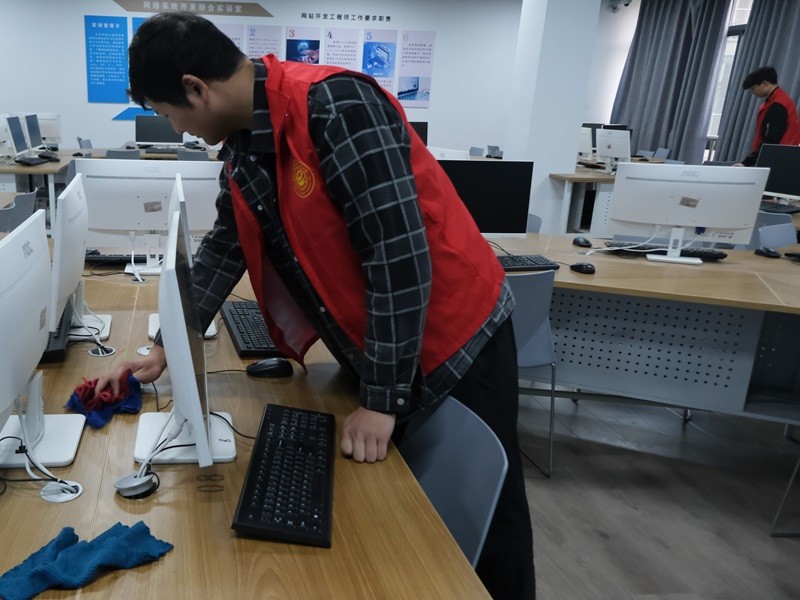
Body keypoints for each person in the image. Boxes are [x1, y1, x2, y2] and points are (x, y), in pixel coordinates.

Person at [96, 12, 535, 600]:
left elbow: (396, 257)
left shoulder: (336, 108)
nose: (177, 129)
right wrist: (166, 343)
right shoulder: (244, 146)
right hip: (388, 345)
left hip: (456, 338)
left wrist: (381, 399)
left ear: (196, 89)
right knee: (404, 513)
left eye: (169, 114)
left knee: (488, 527)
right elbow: (225, 246)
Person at [734, 66, 800, 167]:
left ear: (765, 83)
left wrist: (746, 163)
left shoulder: (778, 105)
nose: (753, 92)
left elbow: (770, 142)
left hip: (777, 160)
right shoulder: (777, 100)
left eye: (753, 88)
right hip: (779, 157)